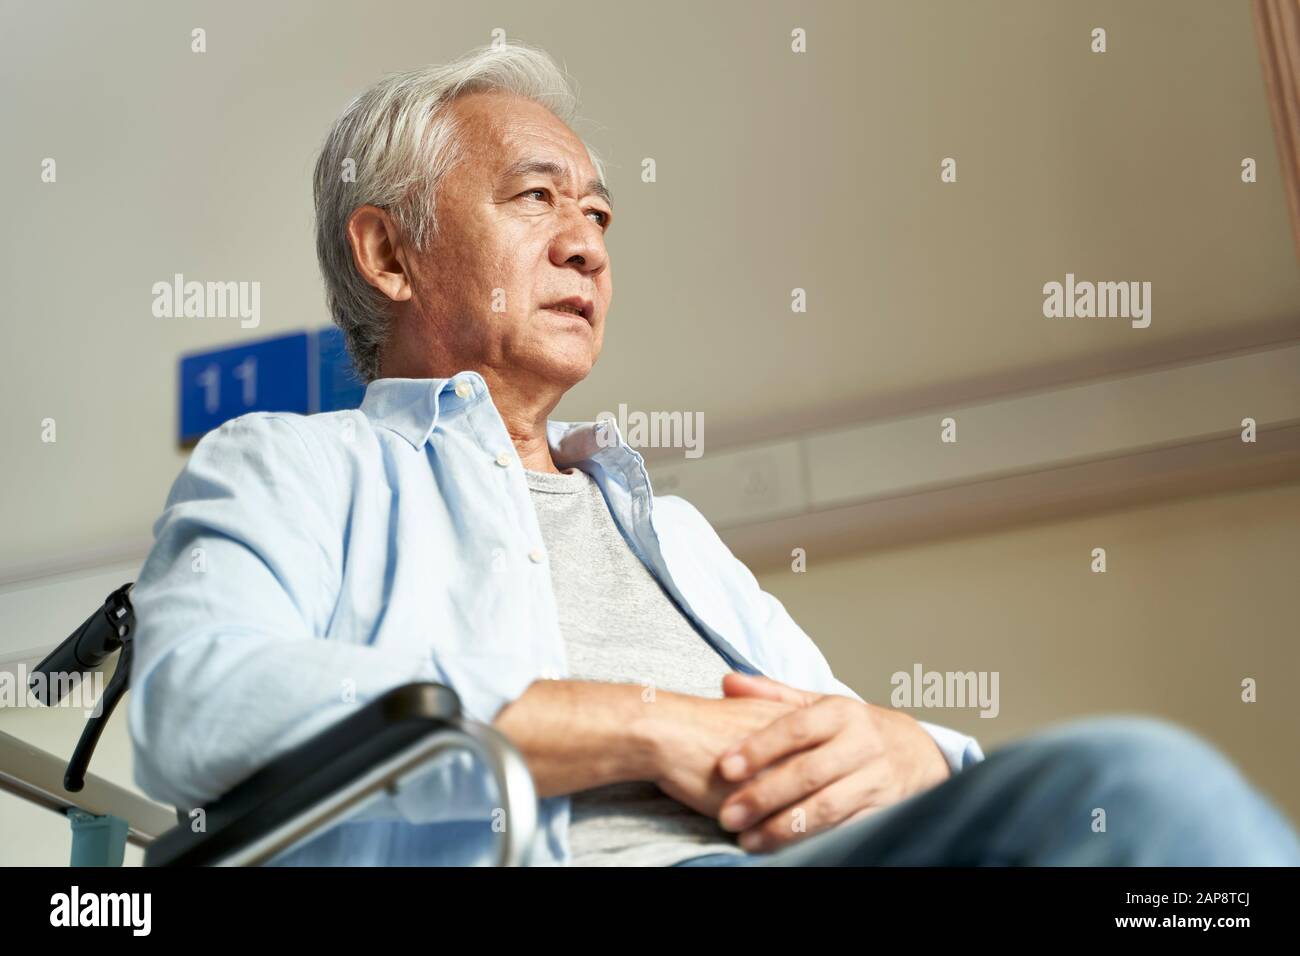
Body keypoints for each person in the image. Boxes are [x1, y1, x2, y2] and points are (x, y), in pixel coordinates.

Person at [127, 42, 1300, 866]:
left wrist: (915, 748)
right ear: (388, 254)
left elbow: (830, 736)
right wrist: (633, 722)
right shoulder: (286, 465)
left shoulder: (668, 532)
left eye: (599, 217)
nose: (586, 246)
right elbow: (198, 702)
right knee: (1137, 782)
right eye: (537, 198)